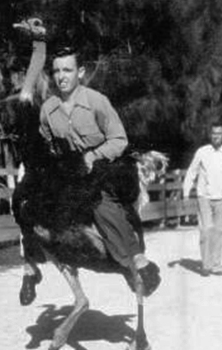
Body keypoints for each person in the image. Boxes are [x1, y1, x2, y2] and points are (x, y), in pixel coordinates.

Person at [18, 46, 160, 304]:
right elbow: (47, 141)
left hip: (107, 162)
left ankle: (134, 256)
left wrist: (92, 157)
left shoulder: (97, 101)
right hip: (71, 167)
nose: (62, 76)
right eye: (57, 71)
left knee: (101, 200)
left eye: (68, 70)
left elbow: (119, 140)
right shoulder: (48, 109)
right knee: (28, 201)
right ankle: (32, 264)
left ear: (80, 72)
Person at [182, 124, 222, 276]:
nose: (216, 136)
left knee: (219, 231)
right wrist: (186, 193)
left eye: (219, 134)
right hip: (204, 196)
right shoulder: (202, 152)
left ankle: (216, 265)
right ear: (210, 135)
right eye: (213, 133)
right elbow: (192, 172)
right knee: (205, 231)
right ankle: (206, 265)